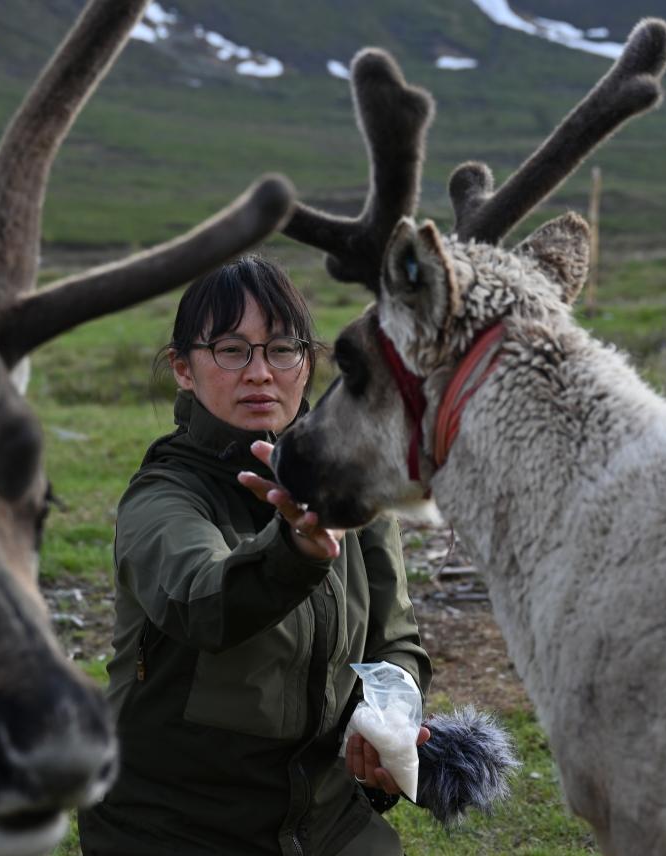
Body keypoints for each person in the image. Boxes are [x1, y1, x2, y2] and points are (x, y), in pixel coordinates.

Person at [78, 254, 432, 855]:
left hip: (326, 820)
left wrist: (387, 719)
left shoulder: (347, 484)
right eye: (231, 350)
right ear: (183, 369)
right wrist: (293, 550)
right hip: (174, 826)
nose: (260, 373)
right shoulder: (163, 496)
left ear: (308, 362)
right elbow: (203, 602)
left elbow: (393, 638)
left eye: (282, 349)